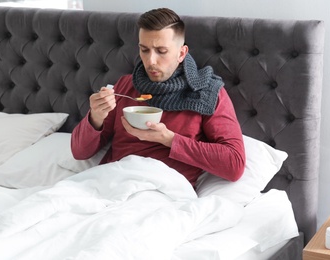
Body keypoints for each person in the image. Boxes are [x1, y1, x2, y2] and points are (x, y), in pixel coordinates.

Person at [71, 8, 245, 186]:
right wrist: (96, 117)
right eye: (144, 50)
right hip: (113, 182)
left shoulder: (206, 93)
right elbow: (79, 152)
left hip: (163, 191)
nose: (151, 61)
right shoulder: (125, 86)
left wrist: (169, 139)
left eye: (161, 51)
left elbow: (234, 164)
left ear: (181, 53)